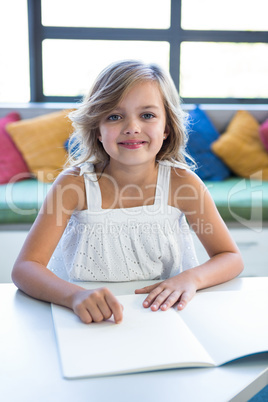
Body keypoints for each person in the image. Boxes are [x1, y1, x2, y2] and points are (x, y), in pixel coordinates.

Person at [12, 60, 244, 324]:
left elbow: (231, 257)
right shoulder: (73, 185)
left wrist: (191, 278)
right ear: (97, 130)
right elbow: (25, 268)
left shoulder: (183, 183)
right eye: (114, 116)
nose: (132, 127)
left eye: (147, 115)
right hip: (84, 318)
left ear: (166, 127)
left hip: (159, 315)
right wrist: (74, 296)